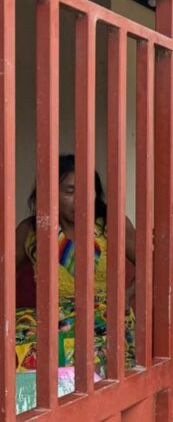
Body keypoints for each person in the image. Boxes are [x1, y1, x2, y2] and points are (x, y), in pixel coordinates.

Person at [13, 154, 136, 375]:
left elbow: (154, 264)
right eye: (70, 192)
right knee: (17, 342)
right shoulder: (33, 231)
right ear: (50, 194)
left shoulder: (111, 224)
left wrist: (128, 293)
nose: (80, 198)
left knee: (89, 351)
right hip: (52, 316)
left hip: (105, 314)